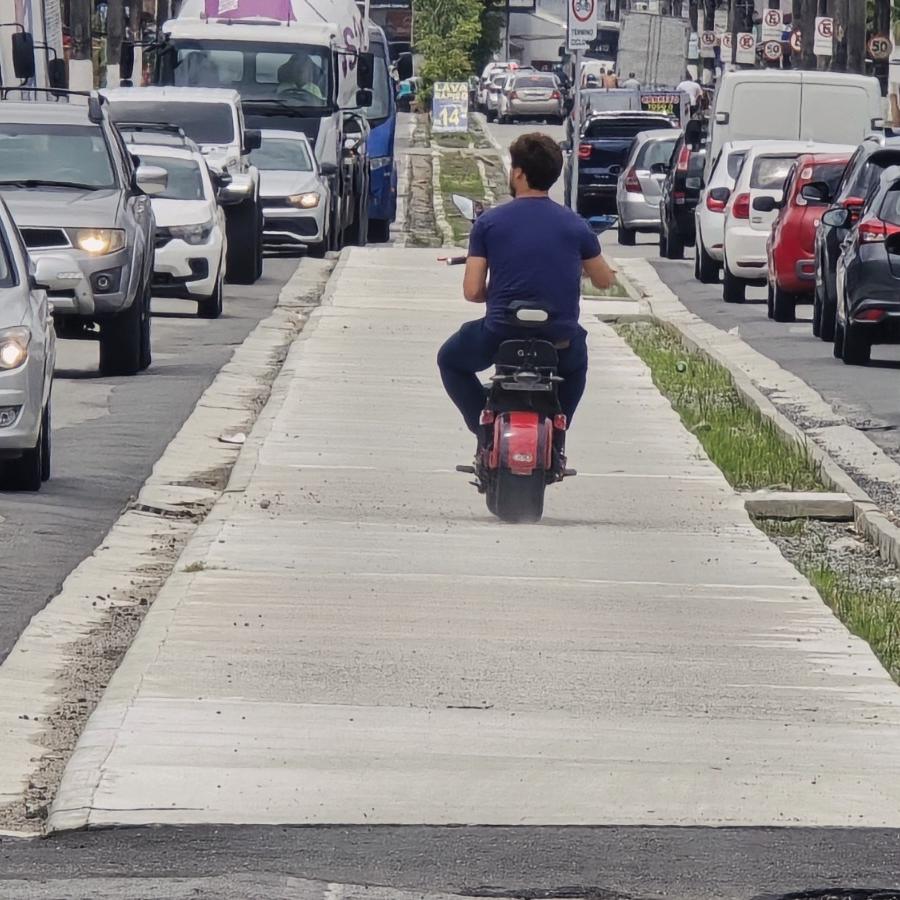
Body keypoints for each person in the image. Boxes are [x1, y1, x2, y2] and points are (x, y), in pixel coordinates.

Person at [437, 134, 616, 440]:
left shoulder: (489, 223)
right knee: (576, 366)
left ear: (518, 173)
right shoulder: (576, 225)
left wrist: (491, 293)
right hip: (558, 340)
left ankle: (485, 428)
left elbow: (472, 291)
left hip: (500, 334)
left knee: (449, 360)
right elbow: (605, 280)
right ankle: (557, 432)